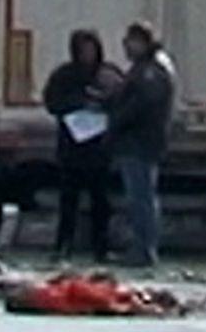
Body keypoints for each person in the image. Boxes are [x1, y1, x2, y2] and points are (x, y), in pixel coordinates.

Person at [41, 29, 121, 263]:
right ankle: (63, 246)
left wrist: (102, 102)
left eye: (92, 49)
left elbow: (122, 99)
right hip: (72, 146)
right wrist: (77, 104)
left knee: (101, 202)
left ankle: (102, 248)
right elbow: (52, 102)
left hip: (99, 148)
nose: (88, 54)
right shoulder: (64, 75)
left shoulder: (109, 74)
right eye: (83, 49)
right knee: (68, 201)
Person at [107, 20, 176, 269]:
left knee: (141, 197)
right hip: (142, 141)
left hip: (139, 143)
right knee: (142, 196)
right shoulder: (151, 67)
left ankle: (143, 249)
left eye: (129, 42)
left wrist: (115, 120)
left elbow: (141, 106)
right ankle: (142, 247)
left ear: (141, 42)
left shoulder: (150, 71)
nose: (126, 48)